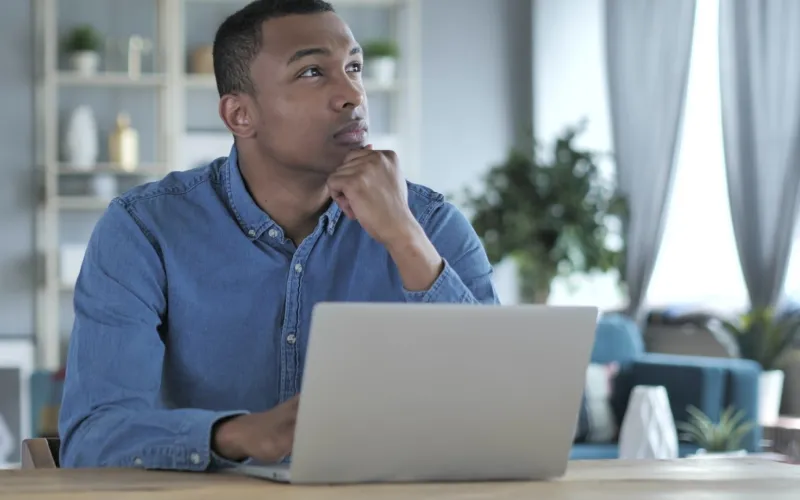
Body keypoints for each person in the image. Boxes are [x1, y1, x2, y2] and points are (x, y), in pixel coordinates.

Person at [58, 0, 499, 470]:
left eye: (354, 67)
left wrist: (404, 238)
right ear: (240, 115)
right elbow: (93, 439)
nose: (352, 94)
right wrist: (239, 434)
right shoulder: (143, 230)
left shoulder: (430, 224)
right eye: (312, 72)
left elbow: (500, 411)